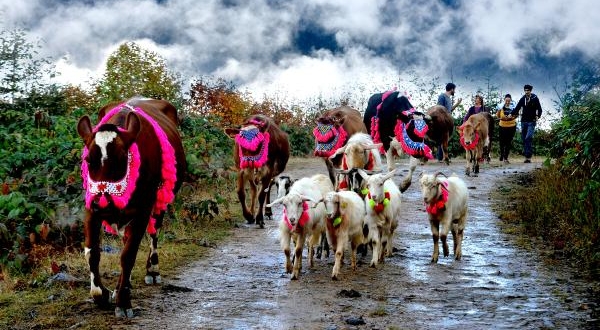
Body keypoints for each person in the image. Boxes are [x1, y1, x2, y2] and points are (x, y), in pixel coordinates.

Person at [512, 84, 542, 163]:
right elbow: (517, 108)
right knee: (524, 139)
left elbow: (539, 109)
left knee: (528, 138)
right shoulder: (523, 99)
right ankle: (526, 157)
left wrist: (537, 116)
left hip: (531, 121)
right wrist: (510, 114)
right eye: (525, 90)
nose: (526, 92)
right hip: (523, 121)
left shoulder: (535, 98)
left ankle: (528, 156)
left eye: (528, 90)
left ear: (530, 91)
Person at [436, 83, 462, 162]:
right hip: (442, 121)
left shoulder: (449, 98)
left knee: (445, 139)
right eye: (454, 89)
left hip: (448, 121)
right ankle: (440, 158)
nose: (455, 91)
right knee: (442, 139)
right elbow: (438, 109)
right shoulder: (442, 96)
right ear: (452, 89)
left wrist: (457, 104)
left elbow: (449, 111)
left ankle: (444, 157)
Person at [496, 94, 517, 164]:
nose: (507, 102)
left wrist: (511, 117)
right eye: (506, 101)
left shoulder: (514, 107)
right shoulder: (501, 107)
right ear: (504, 100)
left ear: (511, 100)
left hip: (511, 126)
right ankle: (502, 154)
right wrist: (501, 117)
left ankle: (506, 157)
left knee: (508, 142)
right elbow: (497, 115)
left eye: (509, 101)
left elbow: (516, 115)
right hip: (502, 126)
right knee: (502, 142)